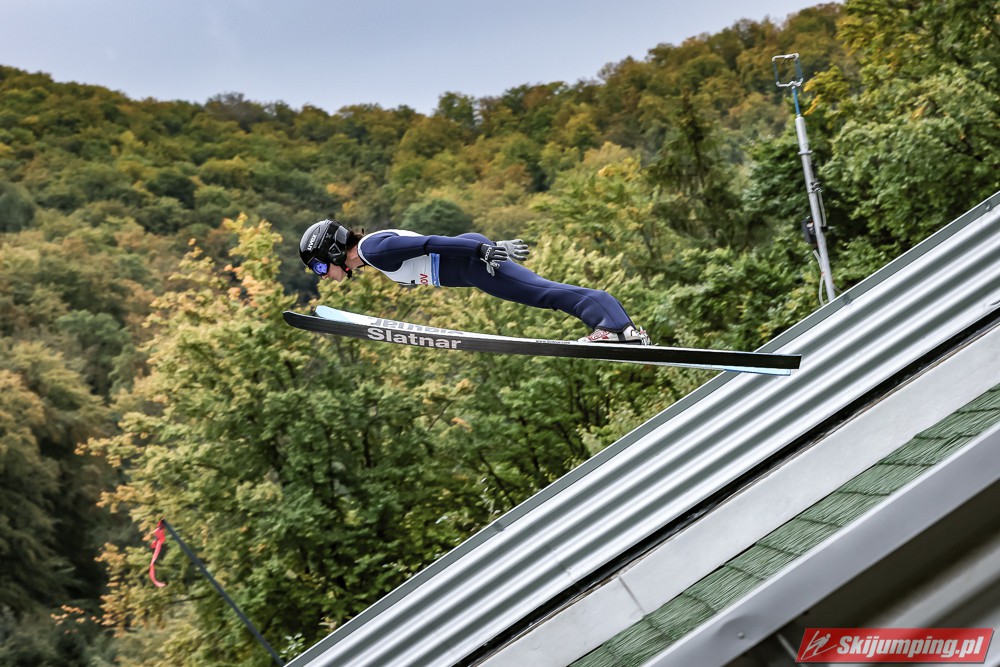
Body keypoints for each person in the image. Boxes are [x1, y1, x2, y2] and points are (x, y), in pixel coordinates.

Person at [298, 219, 650, 344]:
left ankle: (615, 328)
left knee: (545, 293)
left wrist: (482, 250)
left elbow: (430, 242)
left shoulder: (372, 249)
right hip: (470, 263)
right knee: (545, 292)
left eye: (319, 267)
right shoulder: (373, 252)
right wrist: (483, 246)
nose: (323, 276)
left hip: (474, 265)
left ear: (332, 250)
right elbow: (424, 249)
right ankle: (620, 328)